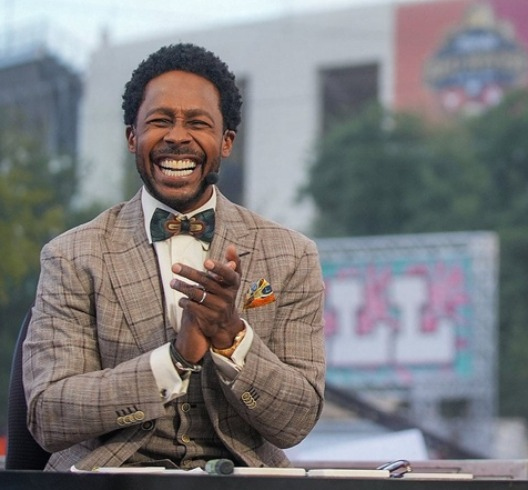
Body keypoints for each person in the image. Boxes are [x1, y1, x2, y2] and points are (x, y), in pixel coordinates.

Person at [22, 43, 325, 471]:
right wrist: (174, 360)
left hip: (243, 480)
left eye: (198, 123)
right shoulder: (71, 256)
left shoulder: (292, 255)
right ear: (133, 137)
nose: (177, 136)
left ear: (226, 142)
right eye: (160, 121)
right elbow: (48, 415)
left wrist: (231, 336)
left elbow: (296, 421)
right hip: (108, 481)